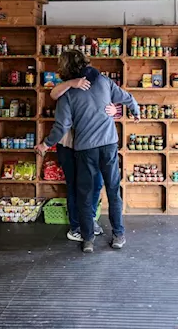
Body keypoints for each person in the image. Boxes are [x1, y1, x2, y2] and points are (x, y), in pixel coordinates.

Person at [35, 50, 140, 253]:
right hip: (109, 144)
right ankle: (118, 234)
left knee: (84, 193)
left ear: (65, 69)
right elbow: (127, 97)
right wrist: (135, 111)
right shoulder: (104, 81)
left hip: (86, 149)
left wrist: (46, 144)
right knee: (112, 190)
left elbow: (61, 127)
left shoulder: (68, 94)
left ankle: (88, 239)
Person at [49, 78, 118, 242]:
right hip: (68, 145)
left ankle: (90, 220)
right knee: (75, 186)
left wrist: (115, 110)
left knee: (97, 183)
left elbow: (109, 102)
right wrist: (71, 83)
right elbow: (53, 94)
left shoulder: (96, 84)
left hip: (91, 145)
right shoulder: (66, 86)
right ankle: (76, 227)